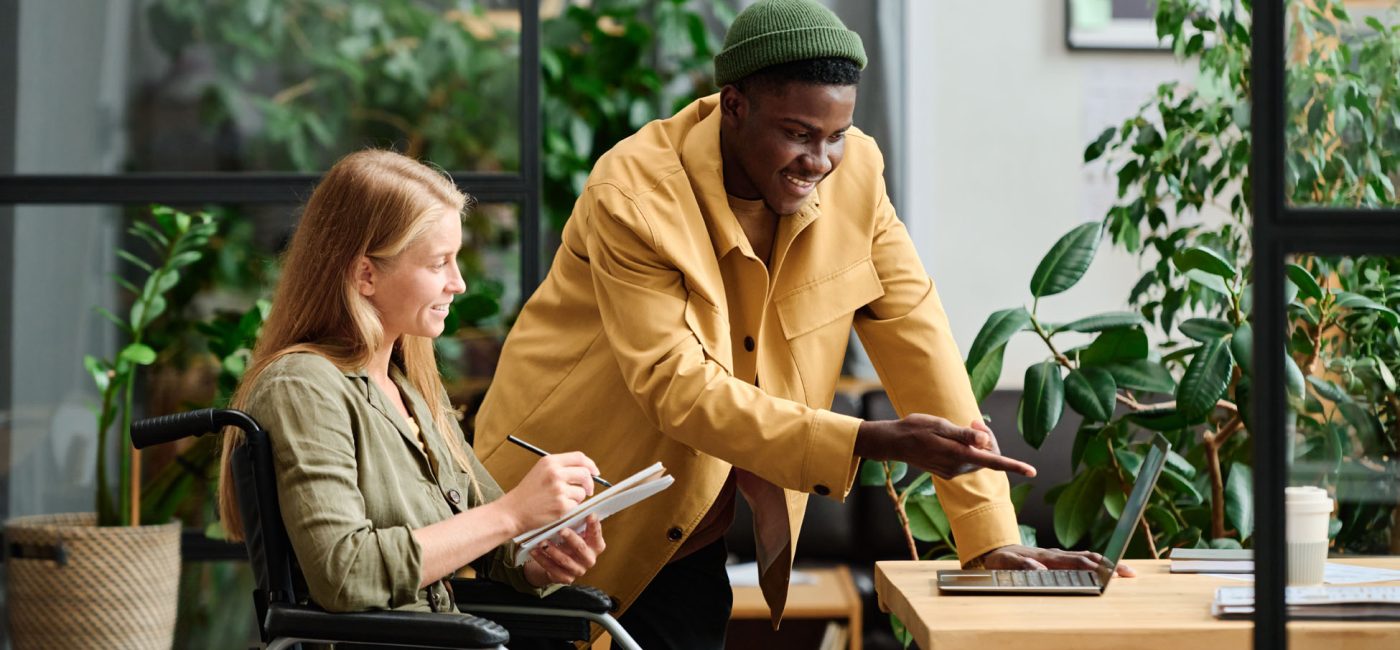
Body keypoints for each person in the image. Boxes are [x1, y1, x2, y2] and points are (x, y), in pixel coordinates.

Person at [475, 1, 1130, 647]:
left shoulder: (858, 176)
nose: (819, 161)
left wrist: (991, 539)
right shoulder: (634, 194)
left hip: (684, 539)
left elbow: (916, 335)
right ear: (735, 105)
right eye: (798, 133)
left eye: (836, 135)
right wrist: (869, 439)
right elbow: (676, 387)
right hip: (550, 519)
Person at [215, 150, 607, 622]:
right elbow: (344, 574)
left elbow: (492, 545)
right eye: (439, 263)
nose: (458, 283)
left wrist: (540, 560)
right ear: (366, 274)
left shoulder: (411, 386)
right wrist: (512, 514)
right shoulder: (302, 386)